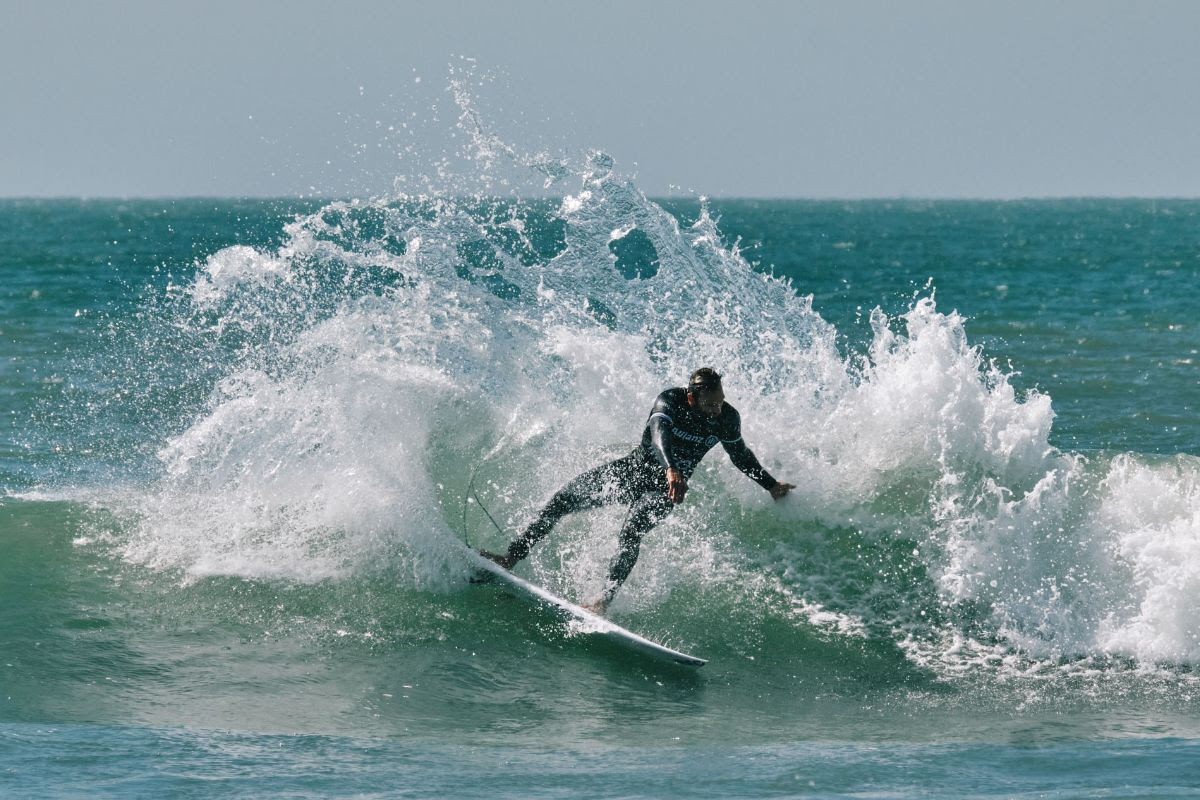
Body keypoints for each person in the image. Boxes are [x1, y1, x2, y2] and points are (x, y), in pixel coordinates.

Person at [481, 367, 794, 614]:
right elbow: (659, 435)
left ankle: (602, 601)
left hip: (665, 490)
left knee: (631, 532)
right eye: (710, 403)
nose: (716, 409)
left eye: (720, 401)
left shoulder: (727, 418)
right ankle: (509, 558)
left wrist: (771, 486)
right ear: (691, 398)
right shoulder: (670, 401)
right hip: (632, 472)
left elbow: (740, 455)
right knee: (562, 501)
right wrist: (671, 468)